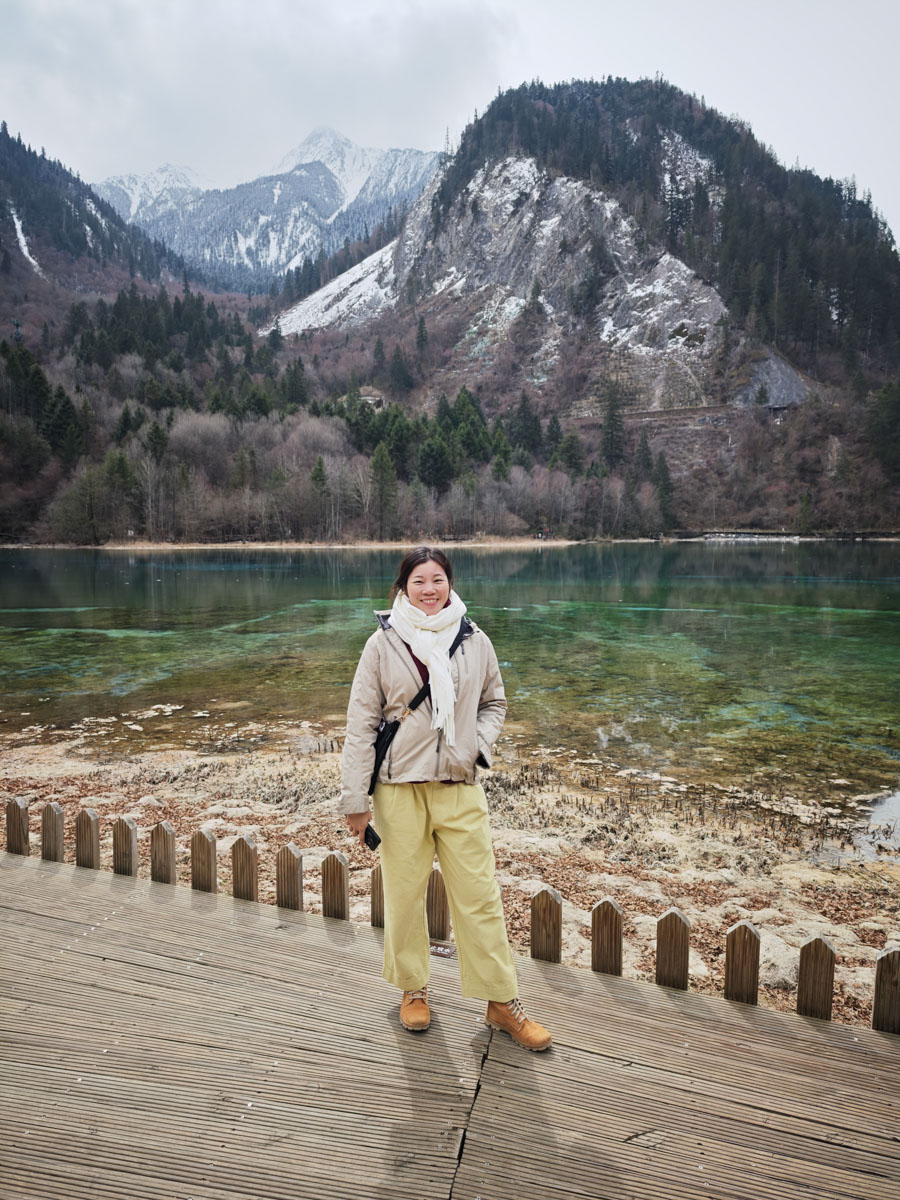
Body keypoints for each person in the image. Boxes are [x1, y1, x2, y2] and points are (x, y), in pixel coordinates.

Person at [340, 546, 551, 1052]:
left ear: (450, 584)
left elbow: (495, 702)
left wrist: (477, 746)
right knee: (405, 896)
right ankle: (413, 989)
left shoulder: (475, 640)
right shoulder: (382, 644)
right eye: (418, 581)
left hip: (460, 789)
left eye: (437, 579)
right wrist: (355, 800)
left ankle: (501, 1001)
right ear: (403, 588)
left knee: (480, 898)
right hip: (398, 792)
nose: (429, 589)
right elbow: (361, 724)